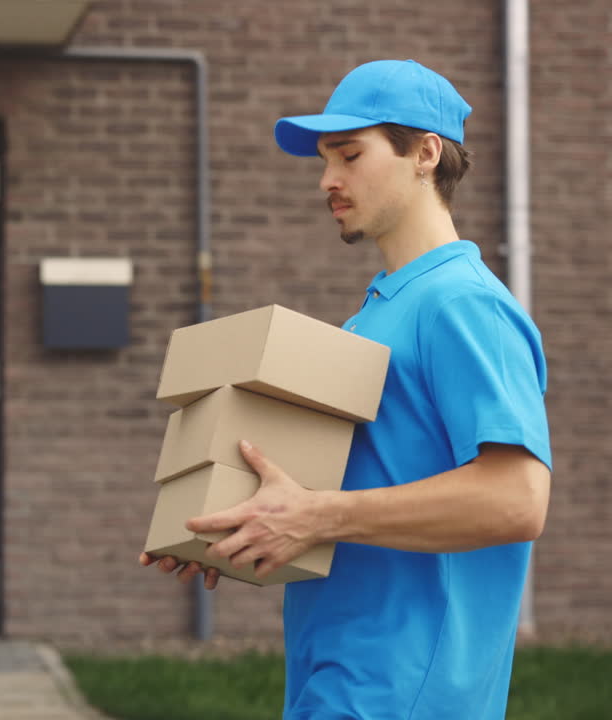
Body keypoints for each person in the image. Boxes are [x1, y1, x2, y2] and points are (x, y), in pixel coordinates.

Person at [138, 59, 552, 720]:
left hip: (408, 692)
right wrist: (237, 523)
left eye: (351, 155)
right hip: (340, 675)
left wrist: (315, 516)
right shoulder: (378, 314)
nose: (329, 179)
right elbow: (353, 486)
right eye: (325, 160)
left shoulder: (462, 305)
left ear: (425, 153)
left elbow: (517, 498)